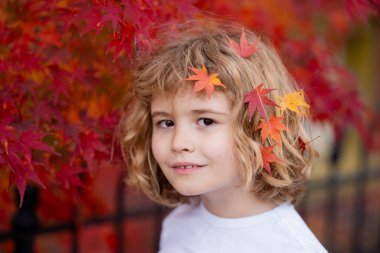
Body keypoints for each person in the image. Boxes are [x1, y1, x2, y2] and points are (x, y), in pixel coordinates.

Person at [119, 19, 328, 253]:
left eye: (206, 121)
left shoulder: (289, 247)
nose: (179, 143)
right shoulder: (177, 224)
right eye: (166, 123)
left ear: (257, 128)